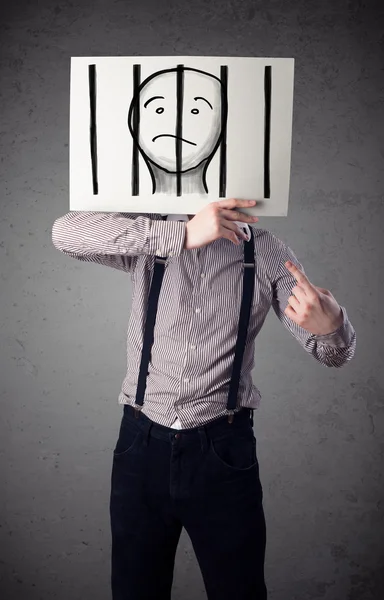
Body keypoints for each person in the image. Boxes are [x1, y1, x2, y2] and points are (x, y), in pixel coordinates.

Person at [51, 198, 356, 600]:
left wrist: (333, 328)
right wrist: (182, 234)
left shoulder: (265, 251)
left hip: (224, 451)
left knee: (239, 591)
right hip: (141, 445)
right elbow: (65, 233)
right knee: (134, 591)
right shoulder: (152, 235)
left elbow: (331, 353)